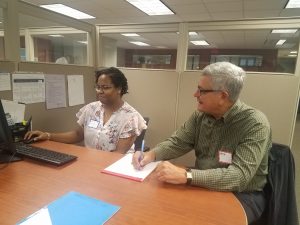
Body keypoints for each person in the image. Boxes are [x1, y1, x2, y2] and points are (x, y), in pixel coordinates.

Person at [132, 62, 272, 224]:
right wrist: (151, 154)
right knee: (159, 210)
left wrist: (187, 175)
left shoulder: (255, 123)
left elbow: (239, 176)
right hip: (201, 182)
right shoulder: (201, 116)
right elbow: (178, 142)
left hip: (242, 194)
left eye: (202, 90)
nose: (195, 94)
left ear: (223, 96)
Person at [25, 67, 147, 154]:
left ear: (119, 89)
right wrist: (48, 135)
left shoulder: (131, 117)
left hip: (116, 169)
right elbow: (78, 135)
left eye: (106, 87)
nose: (100, 91)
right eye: (98, 87)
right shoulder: (91, 108)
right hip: (89, 165)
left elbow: (118, 154)